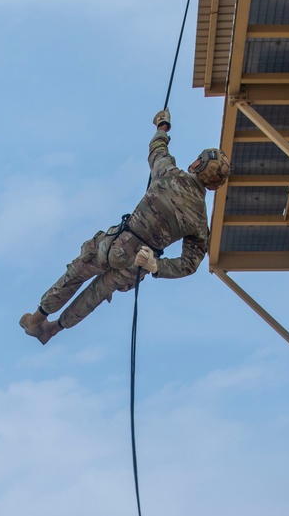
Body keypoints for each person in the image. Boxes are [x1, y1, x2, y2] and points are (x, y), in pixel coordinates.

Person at [20, 109, 230, 344]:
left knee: (78, 272)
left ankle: (37, 319)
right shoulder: (200, 220)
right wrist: (155, 266)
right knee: (95, 294)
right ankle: (53, 330)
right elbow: (190, 265)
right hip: (136, 266)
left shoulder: (169, 174)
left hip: (117, 245)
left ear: (197, 164)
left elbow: (157, 150)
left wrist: (162, 126)